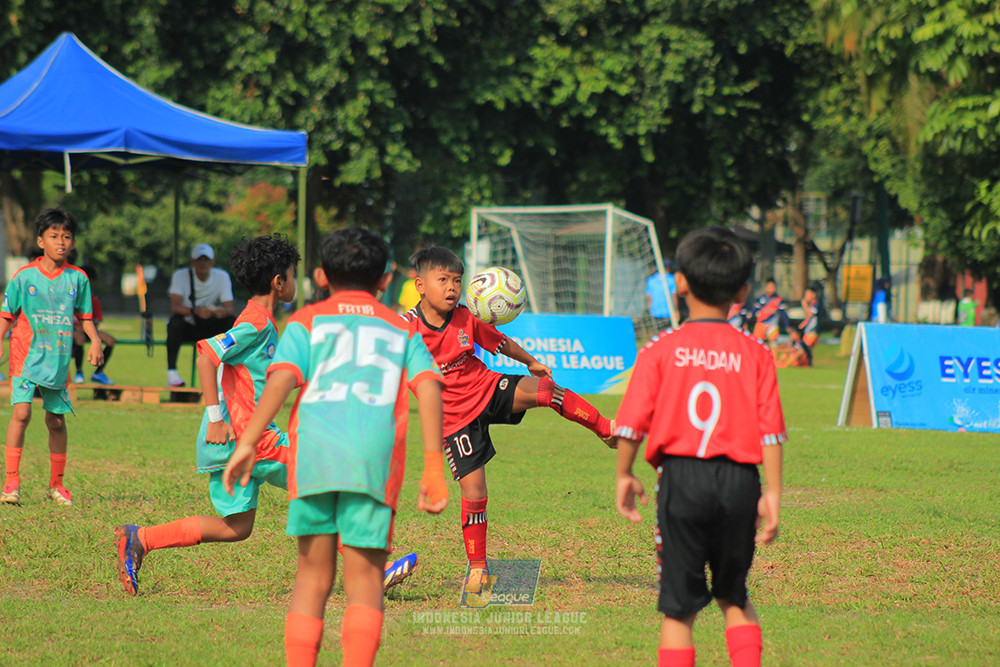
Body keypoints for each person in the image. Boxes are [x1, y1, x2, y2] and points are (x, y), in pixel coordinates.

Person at [222, 228, 448, 667]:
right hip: (372, 461)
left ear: (322, 277)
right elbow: (430, 388)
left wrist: (248, 441)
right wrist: (434, 467)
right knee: (364, 581)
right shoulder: (399, 328)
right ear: (385, 281)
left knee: (311, 578)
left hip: (314, 457)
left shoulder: (304, 322)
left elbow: (281, 379)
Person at [614, 226, 785, 667]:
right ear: (744, 290)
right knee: (733, 595)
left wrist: (624, 473)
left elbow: (631, 423)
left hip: (682, 478)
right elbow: (770, 432)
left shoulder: (659, 348)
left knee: (679, 608)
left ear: (680, 283)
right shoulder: (756, 352)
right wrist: (774, 494)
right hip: (739, 481)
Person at [402, 246, 615, 588]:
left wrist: (530, 361)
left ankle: (606, 429)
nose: (452, 287)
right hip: (454, 419)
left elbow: (499, 343)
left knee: (545, 390)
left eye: (457, 280)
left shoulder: (466, 318)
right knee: (474, 491)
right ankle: (478, 569)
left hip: (486, 388)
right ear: (420, 285)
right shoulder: (406, 328)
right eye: (442, 279)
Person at [0, 208, 104, 506]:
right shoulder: (24, 277)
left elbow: (84, 317)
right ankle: (11, 482)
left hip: (57, 358)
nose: (61, 242)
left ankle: (57, 485)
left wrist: (95, 340)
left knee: (56, 421)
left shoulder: (78, 279)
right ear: (41, 240)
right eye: (54, 236)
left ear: (73, 243)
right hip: (25, 356)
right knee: (21, 413)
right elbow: (6, 315)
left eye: (67, 236)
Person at [166, 243, 236, 387]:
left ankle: (230, 371)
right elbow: (175, 307)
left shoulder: (222, 277)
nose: (203, 263)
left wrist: (219, 312)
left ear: (212, 262)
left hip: (211, 326)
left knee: (232, 323)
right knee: (175, 323)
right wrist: (196, 311)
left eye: (206, 260)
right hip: (189, 325)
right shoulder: (181, 276)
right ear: (192, 262)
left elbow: (230, 308)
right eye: (199, 260)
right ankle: (172, 372)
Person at [72, 264, 117, 385]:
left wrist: (90, 331)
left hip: (89, 330)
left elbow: (97, 319)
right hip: (73, 331)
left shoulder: (93, 300)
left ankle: (98, 372)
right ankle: (79, 372)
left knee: (111, 340)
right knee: (79, 338)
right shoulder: (71, 296)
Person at [750, 278, 788, 344]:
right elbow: (755, 310)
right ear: (766, 288)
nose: (771, 289)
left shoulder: (779, 300)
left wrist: (787, 325)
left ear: (775, 288)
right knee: (757, 343)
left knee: (773, 344)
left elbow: (783, 314)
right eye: (769, 287)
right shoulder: (761, 299)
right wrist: (751, 316)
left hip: (772, 325)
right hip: (761, 324)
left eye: (772, 287)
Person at [646, 261, 679, 329]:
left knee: (658, 335)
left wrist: (650, 309)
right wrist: (676, 310)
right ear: (668, 268)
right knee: (669, 334)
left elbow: (649, 298)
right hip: (669, 311)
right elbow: (674, 296)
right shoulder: (671, 279)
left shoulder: (651, 280)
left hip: (655, 312)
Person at [798, 284, 821, 349]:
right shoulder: (811, 305)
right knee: (808, 351)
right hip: (808, 332)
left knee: (803, 349)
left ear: (813, 295)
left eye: (807, 295)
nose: (805, 297)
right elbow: (808, 318)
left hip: (812, 332)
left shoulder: (816, 305)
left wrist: (805, 306)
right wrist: (803, 324)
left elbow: (810, 314)